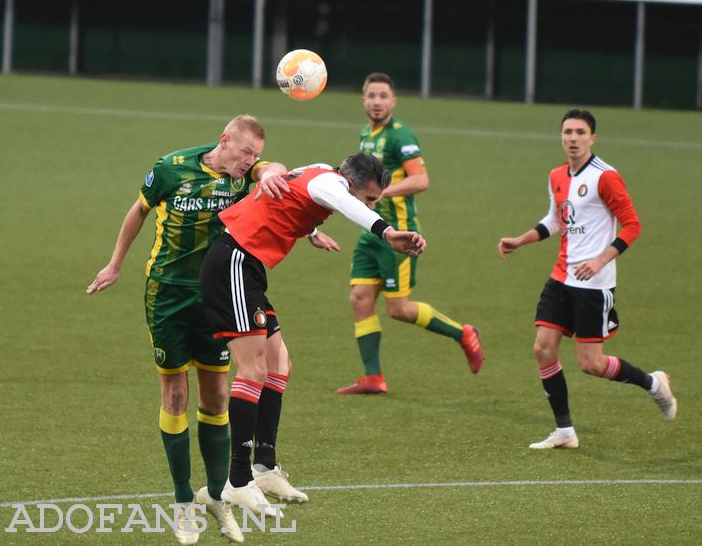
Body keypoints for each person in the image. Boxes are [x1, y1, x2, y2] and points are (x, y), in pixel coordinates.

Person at [86, 115, 323, 545]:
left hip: (215, 296)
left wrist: (276, 179)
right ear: (224, 141)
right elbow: (138, 210)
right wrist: (115, 263)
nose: (249, 160)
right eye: (245, 152)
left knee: (216, 398)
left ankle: (217, 497)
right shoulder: (171, 168)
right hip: (168, 295)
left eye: (254, 155)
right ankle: (182, 503)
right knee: (175, 395)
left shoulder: (246, 172)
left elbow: (275, 173)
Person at [199, 153, 425, 511]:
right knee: (253, 369)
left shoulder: (320, 169)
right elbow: (338, 200)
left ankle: (264, 467)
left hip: (247, 266)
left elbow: (291, 196)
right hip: (233, 264)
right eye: (368, 198)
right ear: (350, 184)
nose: (368, 204)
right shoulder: (331, 184)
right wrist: (388, 233)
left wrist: (311, 231)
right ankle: (237, 480)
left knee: (279, 365)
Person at [497, 108, 677, 450]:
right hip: (562, 277)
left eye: (580, 132)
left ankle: (653, 383)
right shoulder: (556, 176)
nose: (573, 138)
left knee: (591, 364)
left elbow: (633, 225)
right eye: (567, 132)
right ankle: (564, 430)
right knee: (542, 349)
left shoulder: (606, 177)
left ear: (592, 137)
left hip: (594, 285)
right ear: (561, 136)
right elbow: (555, 221)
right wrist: (521, 239)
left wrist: (600, 260)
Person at [336, 72, 484, 395]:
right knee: (360, 299)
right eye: (371, 96)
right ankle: (373, 377)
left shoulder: (400, 136)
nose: (377, 102)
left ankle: (465, 334)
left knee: (399, 309)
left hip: (398, 236)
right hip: (370, 233)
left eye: (383, 96)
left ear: (393, 101)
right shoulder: (366, 134)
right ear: (363, 101)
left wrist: (380, 194)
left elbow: (421, 180)